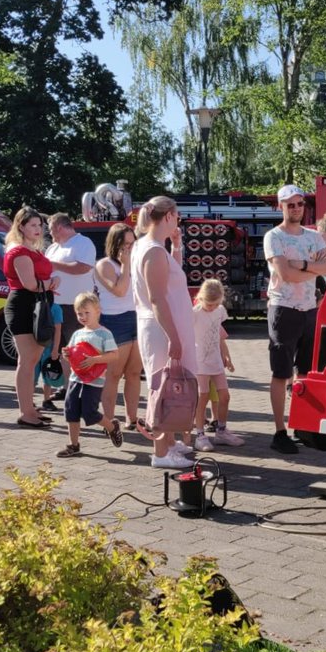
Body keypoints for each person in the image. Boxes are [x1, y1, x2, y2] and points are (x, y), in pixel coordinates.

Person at [263, 184, 326, 454]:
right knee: (281, 373)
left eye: (300, 204)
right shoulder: (274, 236)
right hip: (284, 309)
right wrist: (312, 270)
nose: (296, 209)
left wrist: (302, 265)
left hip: (309, 309)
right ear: (280, 206)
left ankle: (302, 425)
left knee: (305, 372)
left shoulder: (313, 236)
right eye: (290, 204)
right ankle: (279, 432)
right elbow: (285, 275)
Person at [130, 195, 197, 470]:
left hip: (162, 326)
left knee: (167, 386)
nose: (178, 220)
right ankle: (160, 451)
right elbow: (157, 297)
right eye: (177, 215)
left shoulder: (151, 246)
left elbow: (171, 277)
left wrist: (176, 245)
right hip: (161, 329)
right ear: (168, 216)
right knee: (162, 389)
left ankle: (168, 443)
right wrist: (174, 337)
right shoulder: (153, 250)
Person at [3, 207, 60, 427]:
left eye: (40, 225)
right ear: (21, 227)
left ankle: (29, 409)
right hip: (24, 307)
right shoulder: (18, 251)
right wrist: (52, 283)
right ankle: (26, 412)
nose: (38, 229)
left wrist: (49, 283)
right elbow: (30, 284)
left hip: (38, 305)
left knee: (31, 360)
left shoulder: (32, 250)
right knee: (27, 361)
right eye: (33, 225)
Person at [57, 292, 123, 458]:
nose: (83, 317)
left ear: (98, 311)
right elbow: (72, 353)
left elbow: (114, 354)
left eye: (87, 312)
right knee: (71, 410)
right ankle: (73, 445)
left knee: (90, 412)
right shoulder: (77, 334)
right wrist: (66, 354)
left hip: (94, 380)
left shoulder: (104, 334)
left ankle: (112, 427)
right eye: (79, 313)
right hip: (75, 378)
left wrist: (95, 360)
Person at [94, 223, 143, 430]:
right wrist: (125, 265)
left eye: (133, 243)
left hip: (136, 318)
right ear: (115, 244)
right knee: (113, 374)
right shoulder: (104, 265)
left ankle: (132, 418)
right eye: (126, 244)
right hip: (114, 321)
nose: (130, 248)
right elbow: (120, 291)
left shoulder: (135, 262)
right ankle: (109, 420)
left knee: (134, 372)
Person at [45, 213, 96, 392]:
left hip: (77, 307)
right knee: (60, 349)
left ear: (59, 227)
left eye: (50, 229)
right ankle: (66, 387)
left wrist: (56, 265)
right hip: (55, 305)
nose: (50, 233)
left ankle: (82, 385)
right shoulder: (52, 248)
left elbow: (84, 267)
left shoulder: (83, 243)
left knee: (79, 348)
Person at [191, 278, 244, 450]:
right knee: (203, 396)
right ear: (201, 298)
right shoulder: (194, 313)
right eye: (209, 304)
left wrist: (226, 356)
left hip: (216, 361)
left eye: (215, 304)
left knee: (225, 396)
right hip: (200, 362)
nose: (212, 307)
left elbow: (218, 335)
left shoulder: (219, 311)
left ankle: (221, 430)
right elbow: (186, 336)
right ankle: (200, 435)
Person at [35, 300, 64, 411]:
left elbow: (58, 330)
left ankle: (46, 400)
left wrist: (55, 349)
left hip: (47, 347)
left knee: (47, 375)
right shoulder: (34, 305)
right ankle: (30, 402)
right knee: (32, 375)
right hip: (36, 346)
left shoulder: (55, 308)